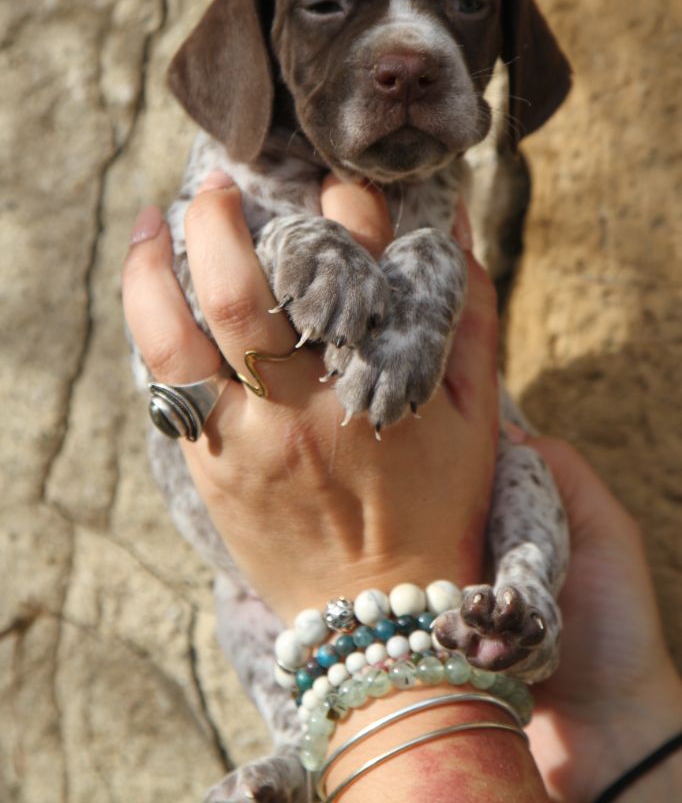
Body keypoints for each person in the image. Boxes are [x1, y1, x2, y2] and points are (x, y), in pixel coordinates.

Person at [123, 171, 682, 802]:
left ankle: (525, 611)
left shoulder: (429, 178)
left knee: (526, 467)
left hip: (465, 587)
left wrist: (376, 581)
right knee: (236, 606)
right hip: (621, 746)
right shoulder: (229, 170)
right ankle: (295, 745)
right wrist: (623, 728)